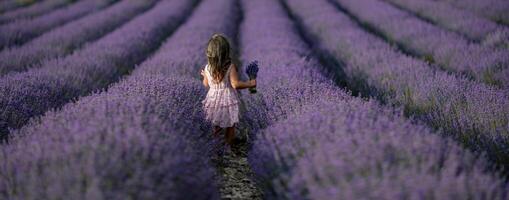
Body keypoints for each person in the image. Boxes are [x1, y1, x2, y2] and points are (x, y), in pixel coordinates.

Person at [200, 34, 256, 148]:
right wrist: (250, 83)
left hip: (213, 100)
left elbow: (205, 84)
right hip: (227, 100)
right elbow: (235, 85)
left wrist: (204, 76)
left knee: (216, 125)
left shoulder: (207, 68)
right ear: (226, 52)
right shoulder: (230, 67)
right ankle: (228, 147)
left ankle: (216, 149)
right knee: (230, 125)